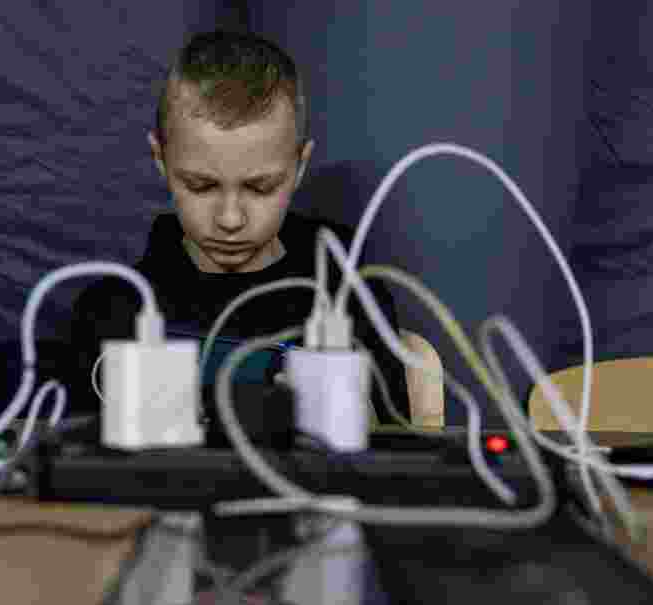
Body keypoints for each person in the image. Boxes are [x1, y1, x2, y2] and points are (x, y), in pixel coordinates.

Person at [69, 30, 409, 423]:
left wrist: (359, 422)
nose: (230, 219)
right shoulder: (112, 313)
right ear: (160, 160)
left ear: (300, 166)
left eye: (260, 187)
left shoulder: (350, 297)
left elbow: (402, 448)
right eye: (201, 186)